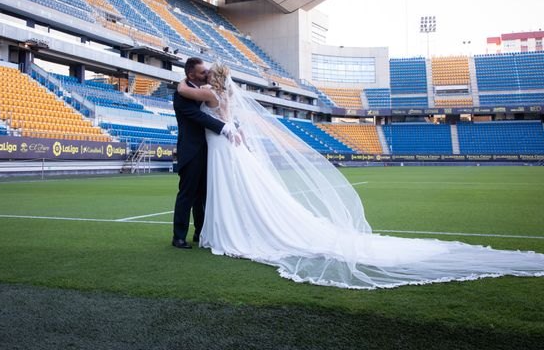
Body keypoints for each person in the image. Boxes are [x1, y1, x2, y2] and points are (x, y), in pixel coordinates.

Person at [177, 62, 544, 289]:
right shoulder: (217, 93)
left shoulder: (205, 92)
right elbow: (213, 109)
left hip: (225, 145)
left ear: (212, 78)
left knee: (228, 191)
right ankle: (213, 230)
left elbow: (187, 93)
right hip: (225, 144)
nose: (205, 77)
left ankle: (216, 232)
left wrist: (206, 96)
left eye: (208, 74)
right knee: (230, 191)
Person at [171, 57, 237, 250]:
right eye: (202, 72)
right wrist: (224, 128)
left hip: (211, 149)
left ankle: (201, 232)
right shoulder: (182, 95)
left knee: (205, 195)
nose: (206, 74)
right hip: (192, 150)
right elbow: (198, 116)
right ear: (191, 75)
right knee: (188, 194)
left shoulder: (200, 90)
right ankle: (178, 237)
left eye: (208, 71)